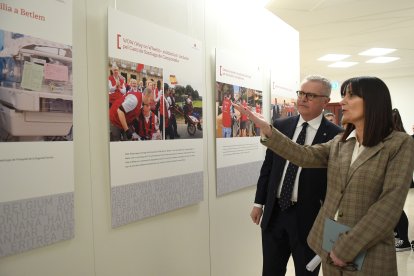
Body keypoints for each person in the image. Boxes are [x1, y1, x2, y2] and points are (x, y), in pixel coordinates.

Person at [235, 76, 414, 275]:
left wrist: (346, 247)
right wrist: (268, 130)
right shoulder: (341, 142)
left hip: (368, 250)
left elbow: (388, 206)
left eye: (350, 96)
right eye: (343, 95)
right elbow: (303, 155)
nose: (343, 101)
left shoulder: (399, 144)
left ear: (373, 102)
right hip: (329, 243)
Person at [249, 75, 342, 276]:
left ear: (325, 101)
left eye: (310, 95)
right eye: (301, 93)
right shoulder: (281, 126)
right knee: (271, 271)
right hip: (275, 213)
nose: (303, 99)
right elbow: (268, 167)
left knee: (306, 272)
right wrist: (259, 203)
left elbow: (336, 183)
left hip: (310, 218)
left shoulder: (336, 136)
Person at [392, 108, 413, 252]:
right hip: (399, 179)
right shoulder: (402, 137)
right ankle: (399, 234)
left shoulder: (401, 138)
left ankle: (404, 240)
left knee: (397, 209)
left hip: (398, 179)